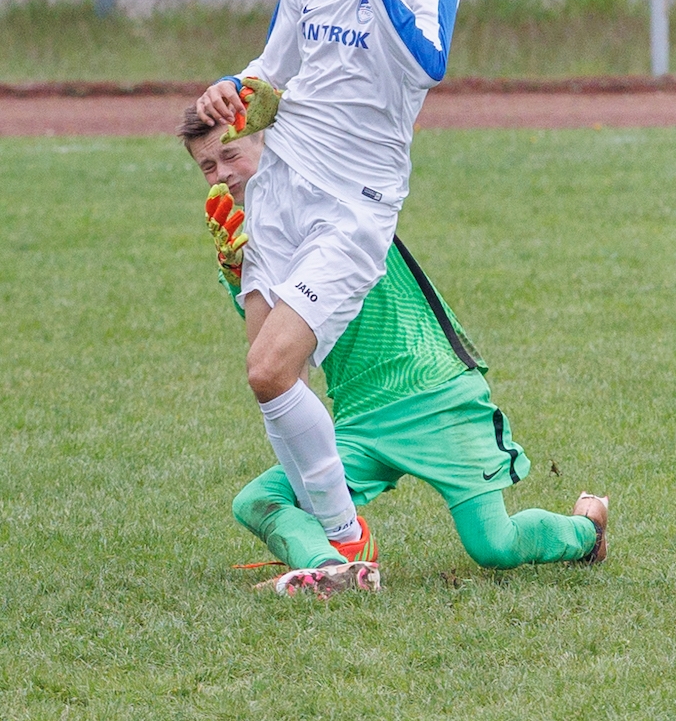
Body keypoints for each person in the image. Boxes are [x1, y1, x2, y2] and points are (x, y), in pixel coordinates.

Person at [180, 107, 609, 598]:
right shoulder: (255, 235)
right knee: (258, 500)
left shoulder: (325, 187)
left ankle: (587, 531)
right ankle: (331, 568)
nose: (221, 174)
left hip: (435, 396)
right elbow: (274, 364)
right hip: (361, 418)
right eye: (207, 166)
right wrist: (239, 273)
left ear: (269, 141)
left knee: (495, 545)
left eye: (230, 155)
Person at [193, 0, 460, 553]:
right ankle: (335, 533)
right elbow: (272, 71)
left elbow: (425, 66)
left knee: (270, 369)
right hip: (279, 193)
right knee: (270, 379)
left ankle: (344, 539)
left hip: (353, 208)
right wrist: (231, 89)